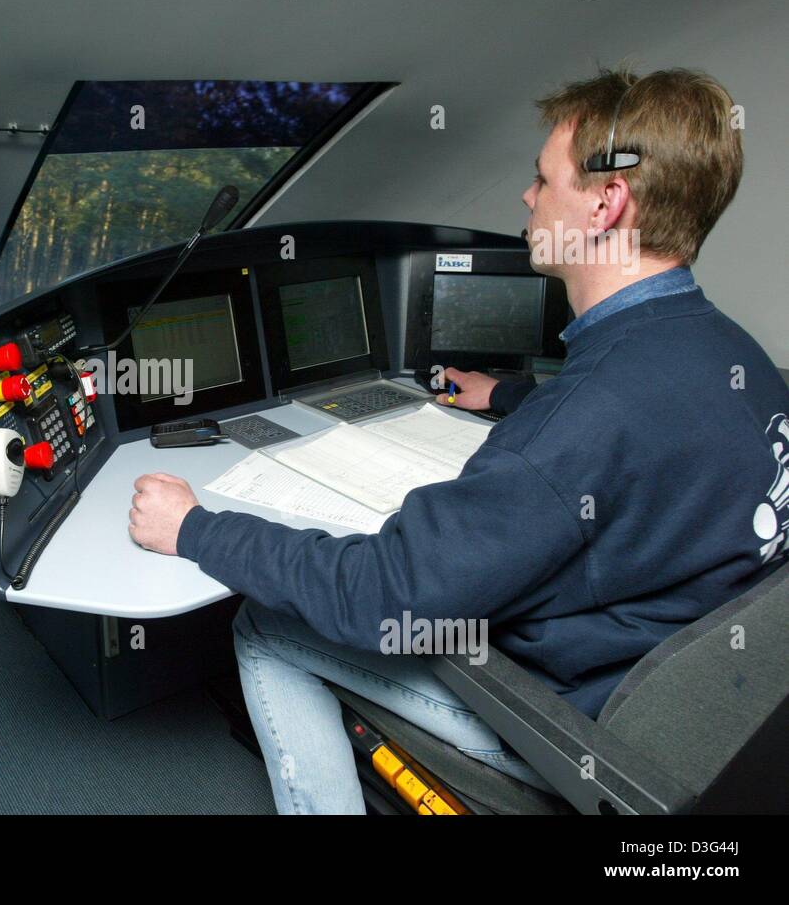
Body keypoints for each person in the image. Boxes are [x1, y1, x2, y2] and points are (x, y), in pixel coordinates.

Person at [126, 68, 789, 814]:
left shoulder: (579, 424)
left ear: (606, 203)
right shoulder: (743, 362)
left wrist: (197, 528)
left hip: (568, 728)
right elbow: (651, 424)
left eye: (543, 180)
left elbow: (382, 595)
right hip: (693, 721)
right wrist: (504, 395)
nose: (528, 198)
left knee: (265, 623)